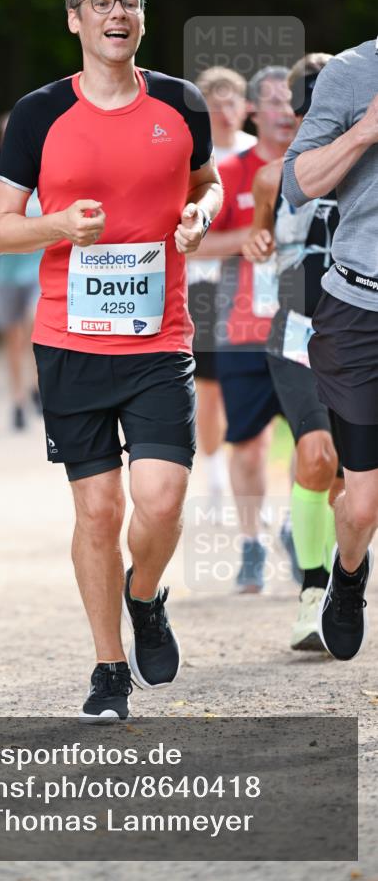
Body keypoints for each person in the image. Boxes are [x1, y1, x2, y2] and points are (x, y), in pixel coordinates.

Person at [0, 0, 221, 721]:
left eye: (127, 3)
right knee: (96, 514)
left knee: (160, 498)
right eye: (99, 3)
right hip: (69, 340)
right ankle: (108, 668)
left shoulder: (181, 104)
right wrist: (56, 226)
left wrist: (200, 215)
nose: (114, 15)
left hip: (157, 338)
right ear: (74, 19)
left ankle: (145, 595)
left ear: (142, 18)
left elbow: (205, 181)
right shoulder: (37, 113)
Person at [282, 38, 378, 661]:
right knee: (363, 503)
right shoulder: (351, 72)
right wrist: (365, 131)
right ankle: (345, 576)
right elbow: (297, 182)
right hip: (359, 311)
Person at [243, 54, 340, 649]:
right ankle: (314, 590)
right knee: (317, 456)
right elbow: (262, 233)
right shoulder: (271, 177)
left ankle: (339, 554)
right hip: (297, 332)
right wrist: (258, 240)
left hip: (361, 336)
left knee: (354, 481)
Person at [191, 66, 298, 593]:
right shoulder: (231, 170)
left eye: (292, 100)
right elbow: (192, 243)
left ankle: (301, 530)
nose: (283, 110)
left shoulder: (324, 165)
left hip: (310, 329)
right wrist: (247, 238)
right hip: (244, 327)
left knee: (315, 445)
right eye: (272, 102)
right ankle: (253, 543)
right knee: (249, 446)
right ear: (254, 111)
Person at [189, 68, 257, 518]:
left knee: (248, 393)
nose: (225, 114)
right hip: (205, 286)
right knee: (210, 393)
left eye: (232, 104)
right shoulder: (196, 161)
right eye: (214, 106)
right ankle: (214, 479)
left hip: (255, 291)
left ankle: (247, 485)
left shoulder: (264, 156)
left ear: (247, 107)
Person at [0, 113, 43, 430]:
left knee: (36, 325)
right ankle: (18, 398)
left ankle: (38, 387)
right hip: (6, 273)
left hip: (39, 272)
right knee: (14, 338)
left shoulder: (47, 177)